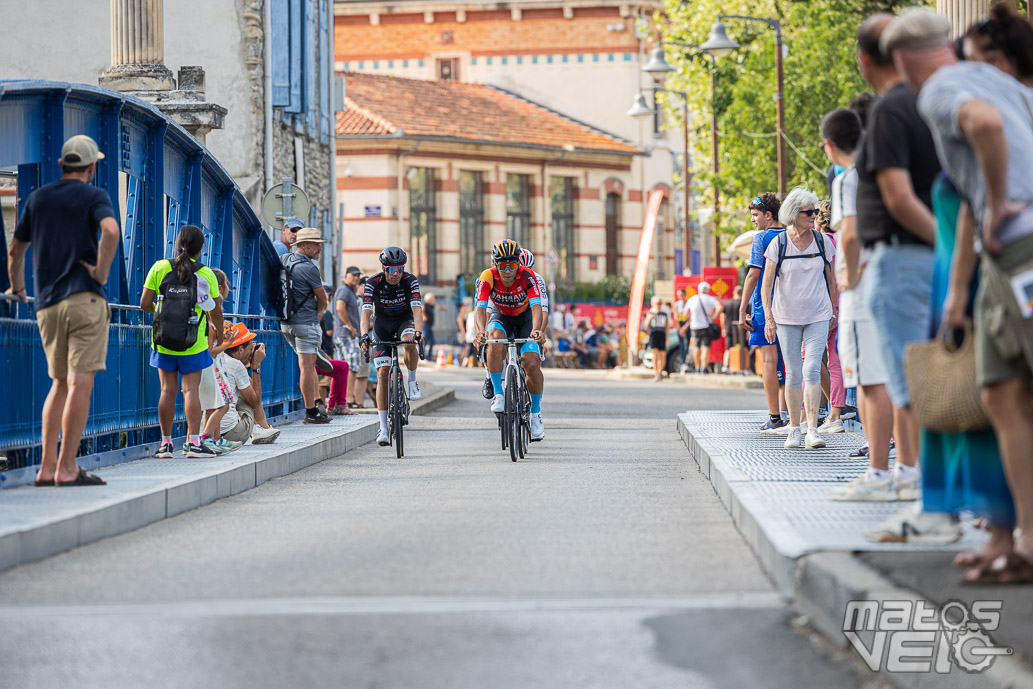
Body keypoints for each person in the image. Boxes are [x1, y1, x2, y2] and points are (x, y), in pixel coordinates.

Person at [888, 5, 1033, 577]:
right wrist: (960, 286)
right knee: (998, 391)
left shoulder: (939, 90)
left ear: (902, 61)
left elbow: (984, 127)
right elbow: (974, 178)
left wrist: (999, 201)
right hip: (1000, 259)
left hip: (1021, 248)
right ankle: (1022, 542)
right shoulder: (999, 81)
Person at [855, 12, 941, 509]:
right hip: (926, 258)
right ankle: (927, 486)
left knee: (909, 383)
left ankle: (921, 489)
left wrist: (947, 245)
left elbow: (899, 197)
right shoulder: (930, 102)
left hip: (903, 257)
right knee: (929, 378)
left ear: (867, 59)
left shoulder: (890, 109)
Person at [7, 134, 119, 486]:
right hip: (84, 299)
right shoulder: (94, 195)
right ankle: (68, 468)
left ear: (60, 165)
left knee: (58, 383)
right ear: (92, 167)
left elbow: (15, 252)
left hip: (47, 305)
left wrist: (20, 289)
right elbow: (111, 232)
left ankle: (46, 466)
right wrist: (100, 273)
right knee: (80, 383)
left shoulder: (38, 198)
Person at [821, 107, 901, 501]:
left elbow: (849, 233)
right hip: (891, 278)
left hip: (861, 291)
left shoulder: (847, 179)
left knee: (870, 384)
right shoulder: (883, 171)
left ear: (829, 146)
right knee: (896, 380)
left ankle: (878, 473)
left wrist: (848, 276)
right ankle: (905, 470)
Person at [761, 187, 837, 451]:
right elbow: (766, 285)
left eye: (815, 211)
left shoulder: (822, 241)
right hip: (786, 318)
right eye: (809, 212)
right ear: (794, 214)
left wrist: (833, 311)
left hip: (817, 314)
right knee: (793, 373)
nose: (814, 215)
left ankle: (813, 429)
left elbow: (830, 279)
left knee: (812, 368)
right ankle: (794, 428)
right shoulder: (778, 243)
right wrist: (769, 318)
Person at [141, 224, 224, 458]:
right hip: (193, 341)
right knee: (190, 391)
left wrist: (162, 314)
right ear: (200, 249)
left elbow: (144, 302)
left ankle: (165, 444)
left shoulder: (159, 267)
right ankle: (194, 444)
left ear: (177, 244)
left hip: (163, 338)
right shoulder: (206, 273)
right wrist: (217, 332)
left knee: (167, 390)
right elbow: (216, 311)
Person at [473, 239, 546, 439]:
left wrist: (537, 330)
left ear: (518, 264)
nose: (507, 271)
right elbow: (479, 308)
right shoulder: (487, 277)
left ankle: (536, 413)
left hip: (525, 319)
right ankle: (498, 393)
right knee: (494, 340)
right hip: (501, 316)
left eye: (512, 265)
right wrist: (480, 332)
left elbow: (537, 307)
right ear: (495, 264)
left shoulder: (527, 276)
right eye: (502, 265)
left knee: (531, 362)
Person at [359, 246, 425, 446]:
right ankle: (383, 428)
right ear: (383, 268)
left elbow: (416, 308)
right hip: (382, 325)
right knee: (382, 374)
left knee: (409, 342)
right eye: (391, 270)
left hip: (404, 321)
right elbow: (366, 312)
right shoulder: (373, 283)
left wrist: (419, 332)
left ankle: (412, 381)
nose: (396, 274)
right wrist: (364, 336)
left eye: (399, 269)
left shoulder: (410, 280)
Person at [740, 193, 789, 432]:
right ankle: (821, 412)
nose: (753, 220)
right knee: (796, 359)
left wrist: (742, 308)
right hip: (792, 307)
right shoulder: (794, 235)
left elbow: (753, 274)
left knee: (769, 361)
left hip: (765, 308)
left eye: (755, 215)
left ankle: (775, 417)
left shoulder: (762, 238)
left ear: (769, 215)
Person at [280, 227, 331, 424]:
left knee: (305, 364)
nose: (319, 248)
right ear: (304, 246)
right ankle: (311, 411)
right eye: (316, 245)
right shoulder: (310, 268)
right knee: (307, 367)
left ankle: (317, 400)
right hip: (306, 322)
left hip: (287, 323)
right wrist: (318, 313)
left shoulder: (284, 260)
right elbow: (322, 298)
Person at [198, 269, 244, 454]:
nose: (229, 289)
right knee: (223, 404)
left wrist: (223, 337)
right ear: (219, 288)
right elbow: (211, 351)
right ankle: (205, 437)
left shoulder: (208, 318)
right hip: (214, 368)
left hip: (214, 367)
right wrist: (229, 343)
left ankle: (215, 440)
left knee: (212, 405)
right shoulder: (211, 320)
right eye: (227, 285)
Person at [220, 323, 281, 445]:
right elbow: (255, 401)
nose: (252, 350)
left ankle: (264, 428)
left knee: (237, 389)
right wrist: (256, 365)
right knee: (248, 396)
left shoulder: (214, 359)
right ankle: (261, 429)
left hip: (208, 432)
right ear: (240, 349)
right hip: (233, 434)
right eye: (250, 348)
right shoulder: (236, 365)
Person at [814, 200, 846, 432]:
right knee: (835, 361)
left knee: (809, 358)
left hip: (824, 307)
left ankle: (809, 416)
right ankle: (835, 413)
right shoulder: (842, 241)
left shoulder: (821, 243)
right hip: (843, 305)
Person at [334, 266, 366, 408]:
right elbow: (340, 307)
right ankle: (348, 399)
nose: (356, 278)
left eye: (358, 276)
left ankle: (341, 400)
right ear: (346, 276)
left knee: (343, 368)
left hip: (344, 335)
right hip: (346, 335)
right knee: (351, 367)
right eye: (353, 275)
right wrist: (350, 325)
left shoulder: (350, 291)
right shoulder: (344, 290)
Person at [685, 282, 721, 374]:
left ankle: (697, 367)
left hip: (694, 326)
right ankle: (704, 368)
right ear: (708, 290)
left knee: (696, 347)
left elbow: (686, 313)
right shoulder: (710, 299)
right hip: (706, 325)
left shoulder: (692, 299)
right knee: (706, 347)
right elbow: (719, 307)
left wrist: (690, 318)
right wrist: (714, 316)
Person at [641, 296, 671, 382]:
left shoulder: (664, 314)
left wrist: (668, 338)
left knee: (662, 354)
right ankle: (656, 372)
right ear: (653, 304)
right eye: (657, 303)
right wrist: (650, 318)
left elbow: (667, 327)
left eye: (660, 303)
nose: (659, 305)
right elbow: (645, 326)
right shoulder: (650, 313)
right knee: (655, 354)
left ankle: (660, 372)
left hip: (662, 334)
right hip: (653, 334)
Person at [721, 285, 744, 373]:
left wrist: (723, 328)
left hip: (729, 329)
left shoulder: (727, 303)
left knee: (728, 349)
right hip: (742, 330)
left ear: (734, 292)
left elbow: (722, 316)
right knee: (743, 348)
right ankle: (743, 368)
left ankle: (725, 366)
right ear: (742, 293)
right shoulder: (743, 303)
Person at [423, 292, 437, 359]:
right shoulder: (425, 305)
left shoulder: (430, 305)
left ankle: (429, 356)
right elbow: (422, 309)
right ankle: (423, 355)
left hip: (429, 326)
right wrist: (424, 316)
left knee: (432, 341)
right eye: (433, 299)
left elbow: (436, 307)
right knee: (424, 340)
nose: (434, 300)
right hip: (426, 325)